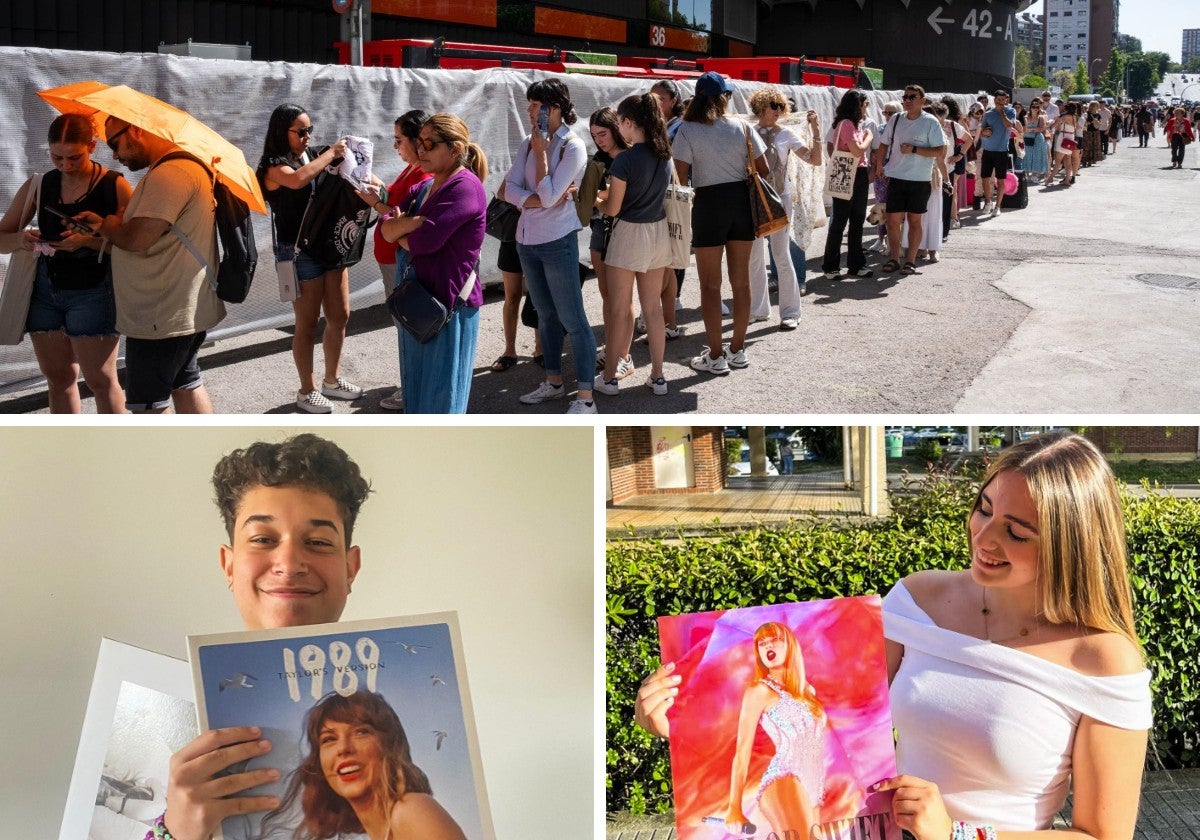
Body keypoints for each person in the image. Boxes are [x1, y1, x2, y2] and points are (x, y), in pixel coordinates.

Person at [635, 430, 1151, 840]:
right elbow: (819, 719)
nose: (985, 537)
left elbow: (1103, 835)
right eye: (984, 508)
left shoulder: (1103, 661)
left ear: (1069, 545)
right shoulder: (918, 600)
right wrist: (687, 728)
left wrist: (958, 835)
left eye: (1017, 532)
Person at [162, 433, 372, 839]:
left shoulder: (413, 702)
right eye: (262, 540)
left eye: (317, 542)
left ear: (351, 567)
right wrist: (176, 833)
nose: (290, 563)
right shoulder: (166, 709)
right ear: (228, 565)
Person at [75, 115, 224, 413]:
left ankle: (166, 460)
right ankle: (204, 453)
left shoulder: (171, 174)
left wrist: (108, 224)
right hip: (177, 308)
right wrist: (106, 229)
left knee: (148, 406)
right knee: (185, 382)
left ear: (137, 129)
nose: (115, 154)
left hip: (160, 315)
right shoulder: (182, 167)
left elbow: (137, 239)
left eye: (116, 143)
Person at [0, 113, 129, 413]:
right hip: (45, 291)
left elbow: (135, 245)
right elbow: (2, 236)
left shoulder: (114, 185)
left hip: (94, 292)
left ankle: (116, 451)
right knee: (58, 379)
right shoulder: (41, 183)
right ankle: (69, 450)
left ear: (92, 146)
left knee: (100, 380)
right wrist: (21, 239)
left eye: (75, 157)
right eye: (57, 157)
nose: (66, 165)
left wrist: (89, 241)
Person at [259, 104, 372, 414]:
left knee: (340, 315)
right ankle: (306, 390)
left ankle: (331, 381)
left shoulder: (311, 156)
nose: (308, 137)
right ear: (283, 132)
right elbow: (296, 180)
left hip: (330, 245)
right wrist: (330, 154)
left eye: (310, 130)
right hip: (298, 251)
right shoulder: (273, 164)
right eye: (301, 131)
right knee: (307, 323)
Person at [380, 114, 487, 414]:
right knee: (415, 399)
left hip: (448, 309)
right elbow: (385, 229)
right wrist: (412, 223)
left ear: (454, 150)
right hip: (418, 305)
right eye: (419, 142)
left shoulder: (464, 186)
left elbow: (423, 242)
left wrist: (403, 228)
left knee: (442, 405)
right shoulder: (425, 187)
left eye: (429, 143)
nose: (421, 150)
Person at [259, 690, 467, 840]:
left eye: (361, 732)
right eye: (329, 739)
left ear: (388, 745)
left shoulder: (411, 810)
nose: (344, 748)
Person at [505, 78, 596, 414]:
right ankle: (554, 382)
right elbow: (506, 188)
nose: (529, 111)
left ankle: (586, 397)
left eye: (535, 105)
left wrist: (542, 159)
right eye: (530, 104)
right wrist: (534, 200)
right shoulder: (528, 143)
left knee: (573, 318)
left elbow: (548, 196)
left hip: (558, 240)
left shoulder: (572, 147)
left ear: (554, 108)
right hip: (527, 239)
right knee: (545, 315)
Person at [673, 71, 769, 375]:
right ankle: (737, 350)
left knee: (710, 286)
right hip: (741, 202)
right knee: (741, 283)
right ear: (724, 97)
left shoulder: (687, 129)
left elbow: (679, 177)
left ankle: (715, 356)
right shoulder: (742, 127)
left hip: (707, 205)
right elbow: (763, 169)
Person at [593, 93, 674, 398]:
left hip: (628, 235)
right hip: (658, 233)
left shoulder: (625, 159)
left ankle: (610, 378)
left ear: (627, 123)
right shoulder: (664, 154)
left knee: (617, 309)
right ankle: (658, 376)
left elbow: (613, 208)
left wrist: (596, 199)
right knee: (653, 310)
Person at [724, 622, 825, 839]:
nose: (768, 645)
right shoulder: (759, 691)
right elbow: (742, 752)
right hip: (784, 777)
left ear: (791, 645)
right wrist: (734, 807)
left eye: (775, 640)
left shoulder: (808, 691)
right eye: (762, 643)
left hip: (814, 786)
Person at [370, 110, 432, 411]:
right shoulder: (411, 170)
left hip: (400, 260)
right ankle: (412, 385)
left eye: (399, 141)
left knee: (409, 330)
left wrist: (375, 203)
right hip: (391, 258)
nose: (396, 147)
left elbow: (400, 218)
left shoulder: (424, 175)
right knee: (404, 328)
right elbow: (394, 205)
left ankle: (412, 390)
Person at [748, 88, 819, 329]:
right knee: (754, 255)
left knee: (781, 253)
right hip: (754, 197)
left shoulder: (786, 134)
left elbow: (814, 159)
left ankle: (790, 311)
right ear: (760, 107)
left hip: (780, 197)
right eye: (773, 105)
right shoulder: (747, 132)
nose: (778, 110)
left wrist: (816, 131)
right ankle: (758, 309)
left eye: (780, 106)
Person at [875, 85, 946, 276]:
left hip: (919, 180)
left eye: (912, 97)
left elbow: (940, 151)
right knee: (892, 221)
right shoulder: (896, 119)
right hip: (896, 177)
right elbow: (883, 144)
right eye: (905, 97)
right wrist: (880, 165)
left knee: (915, 221)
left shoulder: (930, 122)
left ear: (922, 101)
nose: (907, 100)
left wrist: (915, 150)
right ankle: (894, 258)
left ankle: (911, 261)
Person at [587, 107, 635, 383]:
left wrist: (595, 194)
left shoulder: (631, 156)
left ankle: (624, 357)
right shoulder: (598, 158)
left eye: (603, 134)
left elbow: (617, 197)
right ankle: (612, 347)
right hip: (599, 229)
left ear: (616, 128)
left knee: (624, 298)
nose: (599, 140)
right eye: (594, 136)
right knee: (607, 295)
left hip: (625, 229)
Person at [821, 89, 873, 283]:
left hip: (857, 173)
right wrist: (869, 137)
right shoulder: (847, 124)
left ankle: (856, 264)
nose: (866, 108)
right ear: (857, 105)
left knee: (857, 220)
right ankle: (831, 266)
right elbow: (857, 151)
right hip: (848, 173)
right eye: (864, 104)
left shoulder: (853, 125)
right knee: (840, 222)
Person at [650, 79, 688, 311]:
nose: (655, 103)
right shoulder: (653, 124)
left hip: (675, 191)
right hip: (655, 192)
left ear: (674, 101)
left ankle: (675, 297)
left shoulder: (680, 126)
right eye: (652, 98)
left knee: (676, 243)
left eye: (661, 99)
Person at [978, 90, 1016, 217]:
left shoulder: (1011, 111)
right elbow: (982, 130)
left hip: (1001, 151)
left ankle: (998, 206)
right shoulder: (988, 114)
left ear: (1006, 100)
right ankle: (988, 202)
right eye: (998, 100)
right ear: (994, 100)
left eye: (1003, 100)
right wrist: (984, 132)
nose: (1000, 102)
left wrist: (1002, 113)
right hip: (988, 150)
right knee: (985, 178)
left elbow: (1009, 125)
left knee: (1000, 180)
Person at [1046, 103, 1079, 186]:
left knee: (1058, 161)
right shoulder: (1075, 117)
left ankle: (1050, 179)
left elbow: (1055, 125)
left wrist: (1050, 127)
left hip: (1063, 138)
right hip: (1070, 138)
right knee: (1068, 161)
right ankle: (1067, 180)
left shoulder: (1065, 117)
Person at [1022, 99, 1050, 185]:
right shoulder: (1026, 117)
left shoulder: (1040, 117)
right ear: (1030, 108)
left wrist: (1030, 130)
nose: (1035, 109)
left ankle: (1035, 175)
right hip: (1027, 138)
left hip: (1038, 139)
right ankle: (1027, 175)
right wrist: (1033, 130)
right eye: (1033, 107)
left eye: (1037, 107)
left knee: (1037, 156)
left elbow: (1041, 128)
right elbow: (1024, 129)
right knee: (1027, 156)